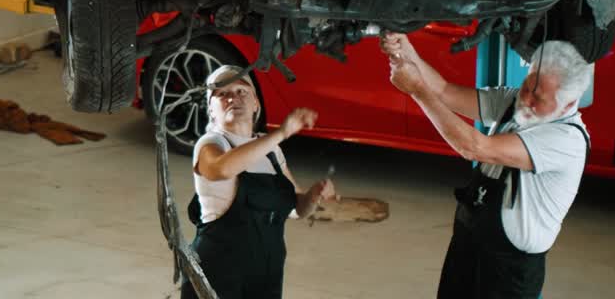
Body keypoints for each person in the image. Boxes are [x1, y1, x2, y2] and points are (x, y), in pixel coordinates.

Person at [384, 33, 592, 299]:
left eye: (538, 98)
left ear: (570, 103)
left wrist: (417, 91)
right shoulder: (516, 102)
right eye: (527, 86)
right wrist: (407, 52)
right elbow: (445, 92)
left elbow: (475, 147)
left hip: (508, 270)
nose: (526, 100)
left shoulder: (565, 139)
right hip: (471, 243)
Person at [182, 65, 337, 299]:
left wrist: (313, 195)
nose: (233, 97)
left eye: (241, 91)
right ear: (211, 110)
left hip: (266, 275)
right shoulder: (212, 143)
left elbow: (296, 209)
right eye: (222, 93)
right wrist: (281, 133)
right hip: (217, 273)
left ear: (256, 103)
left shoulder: (271, 149)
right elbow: (221, 169)